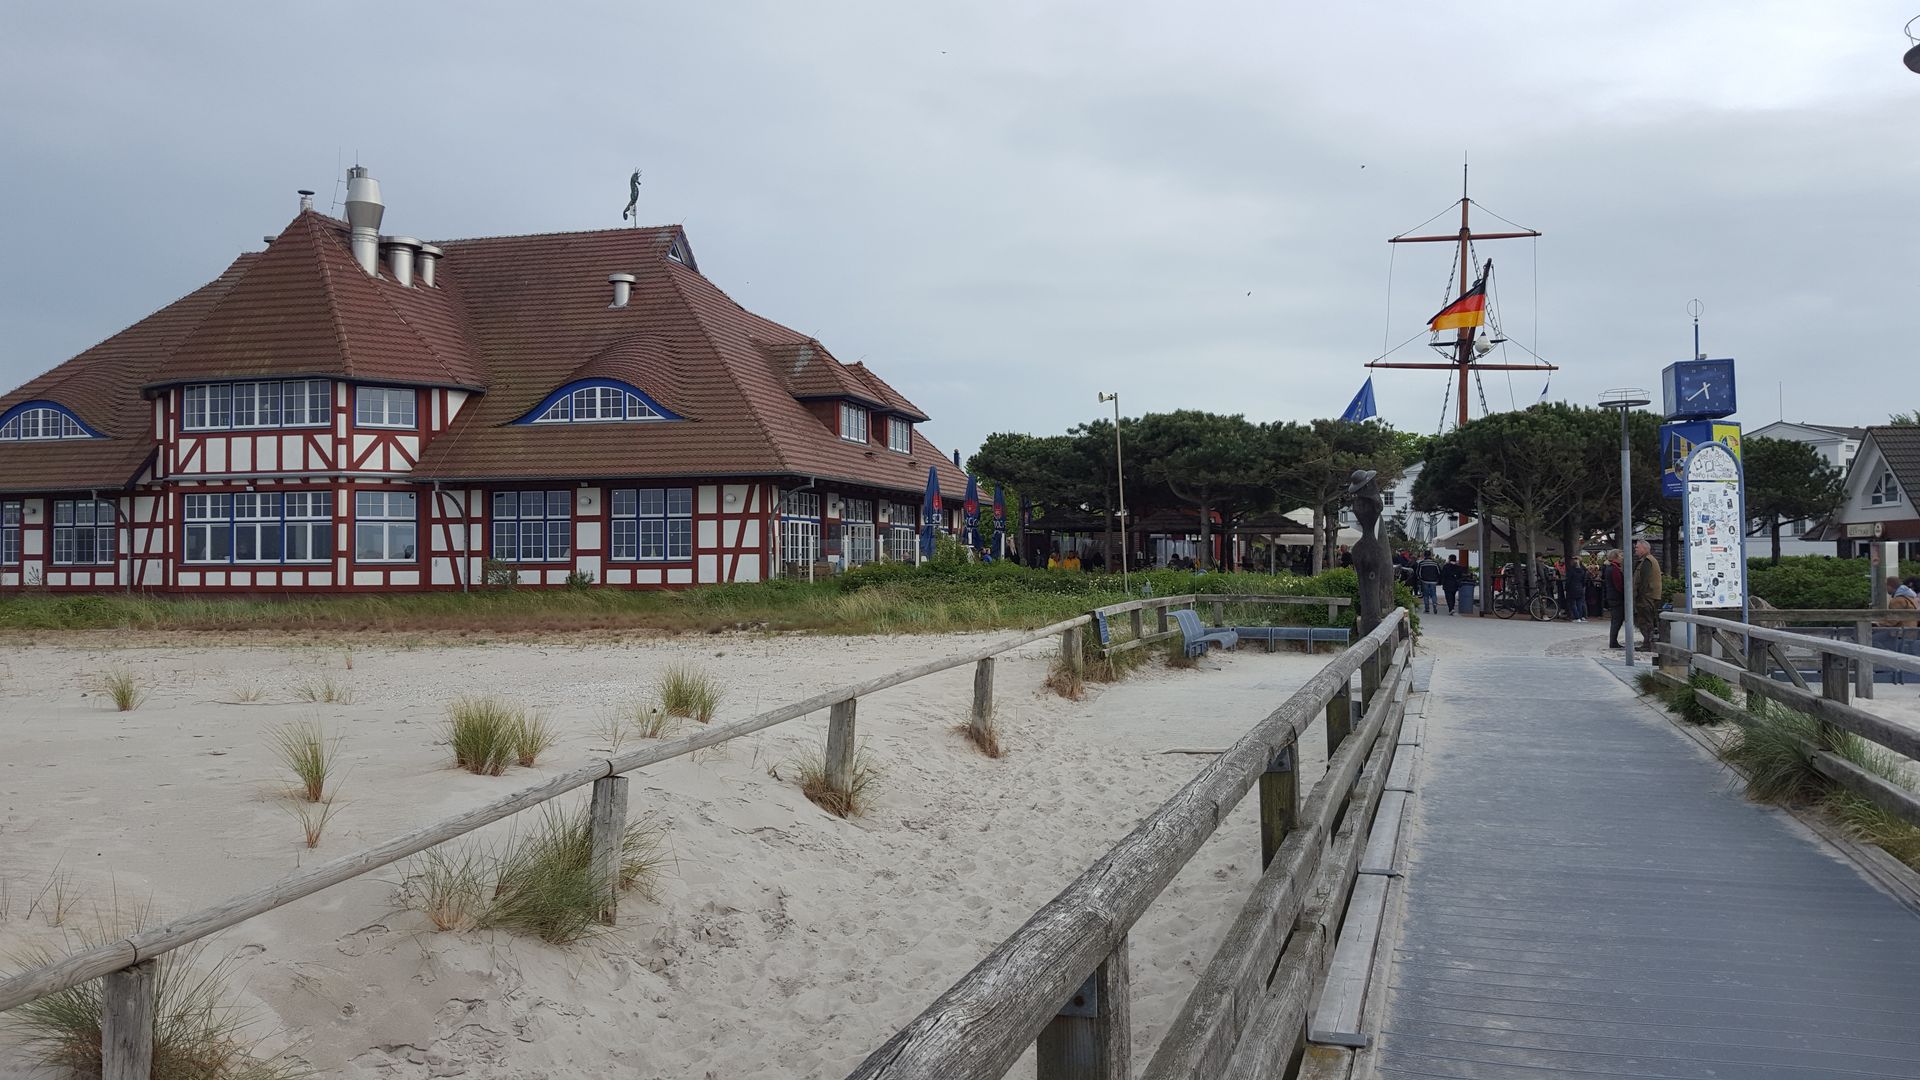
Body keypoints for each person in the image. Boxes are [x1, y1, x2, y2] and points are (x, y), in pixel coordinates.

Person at [1632, 540, 1662, 651]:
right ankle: (1647, 643)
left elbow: (1644, 580)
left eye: (1637, 548)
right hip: (1647, 595)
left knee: (1645, 620)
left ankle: (1648, 644)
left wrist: (1639, 594)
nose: (1635, 550)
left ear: (1644, 549)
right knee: (1645, 620)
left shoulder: (1647, 561)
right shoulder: (1646, 560)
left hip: (1646, 596)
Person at [1604, 549, 1626, 648]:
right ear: (1616, 556)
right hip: (1616, 597)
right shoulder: (1614, 568)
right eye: (1621, 555)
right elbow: (1618, 584)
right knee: (1617, 620)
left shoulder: (1611, 567)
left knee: (1616, 620)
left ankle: (1613, 641)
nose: (1623, 557)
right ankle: (1613, 642)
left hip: (1613, 596)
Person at [1565, 557, 1589, 623]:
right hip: (1580, 587)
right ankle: (1580, 617)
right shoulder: (1582, 570)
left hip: (1572, 588)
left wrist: (1566, 588)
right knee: (1579, 603)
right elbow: (1584, 580)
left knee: (1572, 604)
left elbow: (1568, 580)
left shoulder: (1571, 571)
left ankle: (1577, 617)